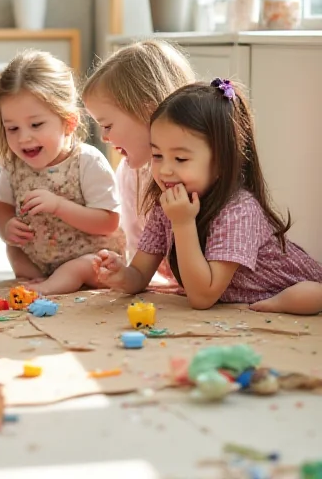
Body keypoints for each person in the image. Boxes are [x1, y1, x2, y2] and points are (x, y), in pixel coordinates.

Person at [94, 79, 322, 314]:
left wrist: (183, 223)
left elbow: (202, 297)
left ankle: (272, 304)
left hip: (290, 286)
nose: (164, 170)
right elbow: (140, 274)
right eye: (157, 155)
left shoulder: (239, 210)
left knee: (309, 295)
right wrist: (122, 275)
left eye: (180, 159)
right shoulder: (169, 203)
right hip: (223, 294)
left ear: (222, 161)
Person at [0, 50, 124, 295]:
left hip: (93, 260)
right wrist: (7, 227)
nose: (24, 138)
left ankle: (46, 288)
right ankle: (37, 280)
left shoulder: (87, 162)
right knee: (13, 250)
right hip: (40, 256)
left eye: (36, 124)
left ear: (69, 122)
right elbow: (2, 208)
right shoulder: (12, 164)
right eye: (12, 128)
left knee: (78, 268)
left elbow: (109, 222)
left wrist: (58, 206)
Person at [83, 40, 195, 284]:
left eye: (108, 125)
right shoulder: (129, 173)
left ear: (149, 112)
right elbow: (137, 253)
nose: (103, 137)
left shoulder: (195, 174)